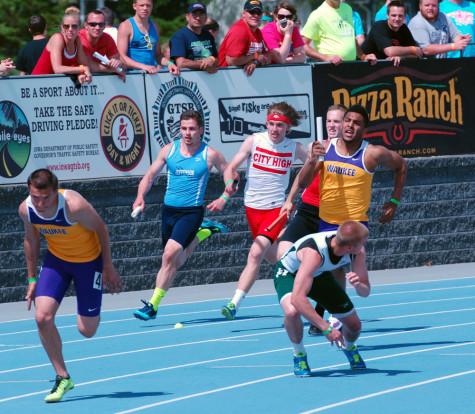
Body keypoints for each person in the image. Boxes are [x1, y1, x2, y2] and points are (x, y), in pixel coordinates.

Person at [297, 105, 407, 331]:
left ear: (364, 129)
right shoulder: (325, 148)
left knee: (339, 269)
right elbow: (304, 183)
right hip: (326, 221)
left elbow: (401, 165)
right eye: (347, 120)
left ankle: (335, 315)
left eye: (356, 123)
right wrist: (311, 160)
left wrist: (394, 201)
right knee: (326, 270)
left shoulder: (372, 153)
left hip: (354, 224)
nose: (349, 125)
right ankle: (333, 312)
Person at [18, 169, 122, 402]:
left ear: (56, 192)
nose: (41, 203)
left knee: (87, 330)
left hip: (89, 263)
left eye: (46, 198)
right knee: (42, 317)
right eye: (35, 197)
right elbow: (31, 240)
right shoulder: (27, 209)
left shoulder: (74, 205)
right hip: (57, 262)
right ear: (29, 191)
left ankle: (90, 306)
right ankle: (62, 376)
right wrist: (32, 279)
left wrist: (108, 266)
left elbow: (101, 229)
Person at [132, 110, 235, 321]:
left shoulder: (210, 154)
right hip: (168, 211)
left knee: (169, 255)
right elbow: (150, 176)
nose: (187, 133)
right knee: (174, 261)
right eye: (184, 128)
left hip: (191, 212)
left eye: (192, 129)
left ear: (201, 130)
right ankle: (204, 233)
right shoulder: (169, 150)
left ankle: (152, 305)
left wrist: (225, 195)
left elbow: (230, 173)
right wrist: (140, 196)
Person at [220, 102, 309, 320]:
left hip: (276, 210)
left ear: (287, 128)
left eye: (280, 125)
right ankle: (309, 279)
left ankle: (234, 304)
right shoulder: (254, 141)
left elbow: (315, 167)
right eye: (271, 124)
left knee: (255, 253)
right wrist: (231, 180)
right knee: (277, 259)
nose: (275, 129)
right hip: (252, 209)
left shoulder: (294, 147)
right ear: (266, 124)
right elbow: (232, 166)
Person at [277, 104, 346, 336]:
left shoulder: (350, 152)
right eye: (329, 121)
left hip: (333, 214)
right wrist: (289, 199)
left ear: (346, 124)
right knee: (284, 253)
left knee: (336, 269)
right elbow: (303, 178)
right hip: (308, 210)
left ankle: (334, 314)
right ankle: (294, 305)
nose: (332, 125)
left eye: (337, 121)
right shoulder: (318, 147)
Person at [274, 220, 370, 375]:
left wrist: (358, 284)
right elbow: (298, 299)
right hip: (289, 274)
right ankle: (299, 355)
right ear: (350, 247)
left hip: (318, 274)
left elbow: (365, 292)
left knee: (354, 326)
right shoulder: (314, 253)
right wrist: (325, 328)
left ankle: (349, 347)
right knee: (292, 312)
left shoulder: (358, 252)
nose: (365, 245)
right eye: (363, 242)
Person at [300, 0, 377, 65]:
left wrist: (363, 56)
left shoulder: (347, 8)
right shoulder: (317, 14)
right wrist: (326, 58)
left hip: (351, 66)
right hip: (329, 69)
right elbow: (303, 45)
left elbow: (350, 38)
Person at [31, 11, 95, 85]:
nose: (70, 29)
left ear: (79, 28)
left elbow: (85, 65)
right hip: (36, 85)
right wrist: (81, 69)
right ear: (61, 27)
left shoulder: (77, 41)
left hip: (53, 86)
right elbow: (57, 69)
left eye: (74, 26)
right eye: (66, 26)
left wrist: (81, 73)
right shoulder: (57, 38)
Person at [117, 0, 178, 74]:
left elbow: (158, 55)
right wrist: (143, 67)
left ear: (152, 7)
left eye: (148, 5)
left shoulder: (155, 26)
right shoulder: (126, 26)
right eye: (142, 5)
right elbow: (122, 58)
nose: (145, 8)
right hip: (132, 76)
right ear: (134, 6)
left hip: (152, 74)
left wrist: (170, 64)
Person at [362, 1, 423, 66]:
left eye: (400, 16)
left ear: (404, 17)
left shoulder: (404, 28)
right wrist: (412, 49)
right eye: (394, 15)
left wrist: (402, 57)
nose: (397, 19)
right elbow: (390, 51)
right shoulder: (379, 26)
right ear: (387, 16)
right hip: (364, 66)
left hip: (384, 68)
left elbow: (418, 54)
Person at [218, 0, 270, 76]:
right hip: (225, 77)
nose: (255, 15)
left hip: (243, 77)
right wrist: (255, 56)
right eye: (252, 12)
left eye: (258, 13)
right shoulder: (240, 30)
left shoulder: (258, 32)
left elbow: (268, 56)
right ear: (244, 14)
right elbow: (232, 60)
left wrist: (255, 62)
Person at [169, 2, 218, 73]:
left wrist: (212, 60)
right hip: (188, 81)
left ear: (206, 18)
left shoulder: (208, 35)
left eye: (201, 14)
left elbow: (216, 59)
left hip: (210, 80)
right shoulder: (179, 36)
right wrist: (205, 65)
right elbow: (181, 63)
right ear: (187, 17)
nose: (198, 18)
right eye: (194, 14)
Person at [79, 10, 124, 76]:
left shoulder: (107, 38)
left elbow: (118, 62)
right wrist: (111, 70)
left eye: (101, 24)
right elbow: (87, 65)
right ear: (86, 25)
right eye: (93, 24)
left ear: (105, 25)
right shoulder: (79, 39)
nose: (97, 27)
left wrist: (117, 63)